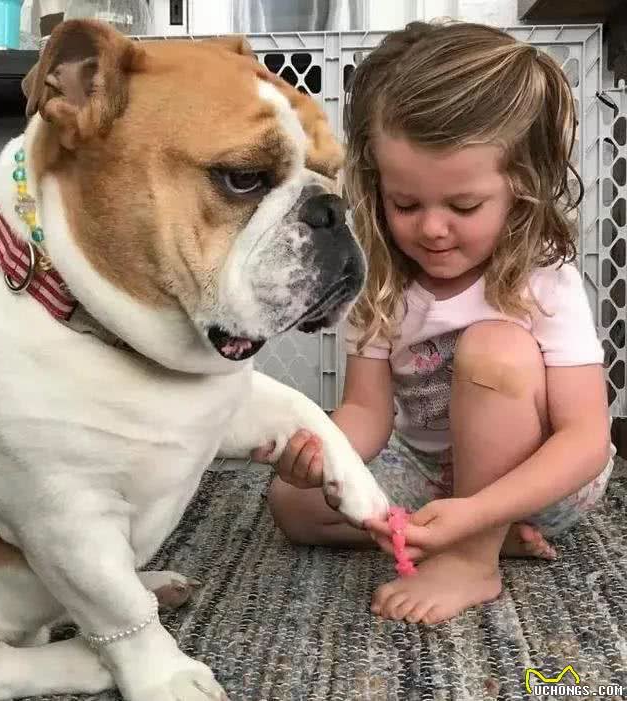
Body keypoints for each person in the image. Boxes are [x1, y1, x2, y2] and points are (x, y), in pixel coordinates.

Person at [254, 20, 615, 625]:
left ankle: (474, 558)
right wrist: (326, 449)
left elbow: (584, 440)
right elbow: (367, 413)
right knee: (292, 506)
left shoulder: (542, 279)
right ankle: (473, 533)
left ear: (521, 189)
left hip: (542, 484)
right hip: (428, 472)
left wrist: (479, 512)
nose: (432, 228)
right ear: (378, 187)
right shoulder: (383, 279)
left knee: (494, 347)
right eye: (406, 204)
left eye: (464, 206)